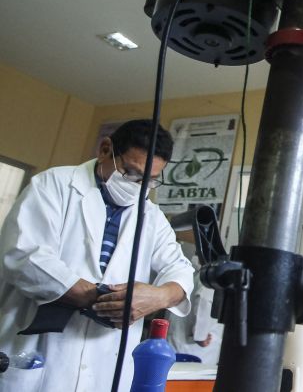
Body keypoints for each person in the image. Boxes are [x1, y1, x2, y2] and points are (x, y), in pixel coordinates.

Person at [0, 119, 195, 391]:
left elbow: (181, 271)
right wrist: (103, 299)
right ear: (105, 150)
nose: (139, 186)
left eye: (149, 180)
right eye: (131, 173)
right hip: (36, 352)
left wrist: (158, 296)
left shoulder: (152, 217)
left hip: (105, 364)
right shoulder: (54, 185)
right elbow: (23, 255)